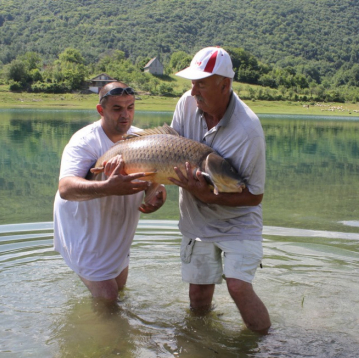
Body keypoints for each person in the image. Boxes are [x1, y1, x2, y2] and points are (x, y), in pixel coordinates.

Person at [169, 47, 271, 334]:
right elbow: (170, 151)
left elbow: (255, 195)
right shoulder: (186, 105)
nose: (193, 92)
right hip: (196, 220)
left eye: (200, 84)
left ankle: (264, 346)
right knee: (198, 296)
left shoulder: (248, 130)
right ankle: (199, 345)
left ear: (224, 85)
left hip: (237, 221)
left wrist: (206, 194)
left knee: (238, 286)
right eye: (192, 83)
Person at [53, 82, 166, 302]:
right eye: (117, 109)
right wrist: (108, 187)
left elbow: (154, 182)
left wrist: (157, 196)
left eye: (130, 107)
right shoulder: (85, 142)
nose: (125, 115)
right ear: (100, 110)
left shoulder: (142, 140)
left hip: (116, 232)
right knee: (108, 297)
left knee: (119, 289)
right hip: (84, 232)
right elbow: (66, 188)